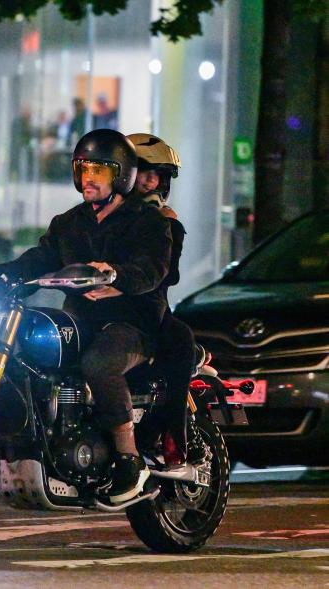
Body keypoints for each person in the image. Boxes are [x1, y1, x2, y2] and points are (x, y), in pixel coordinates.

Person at [0, 129, 173, 503]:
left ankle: (128, 460)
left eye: (99, 171)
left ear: (121, 175)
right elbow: (38, 260)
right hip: (81, 321)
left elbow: (152, 269)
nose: (88, 178)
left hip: (132, 325)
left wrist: (117, 275)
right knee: (27, 355)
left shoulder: (149, 223)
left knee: (100, 362)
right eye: (83, 168)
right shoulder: (69, 223)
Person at [126, 133, 207, 465]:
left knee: (179, 340)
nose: (150, 180)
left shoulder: (164, 221)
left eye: (157, 174)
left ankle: (173, 433)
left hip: (148, 313)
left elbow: (165, 275)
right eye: (143, 170)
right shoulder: (99, 217)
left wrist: (168, 228)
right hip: (98, 311)